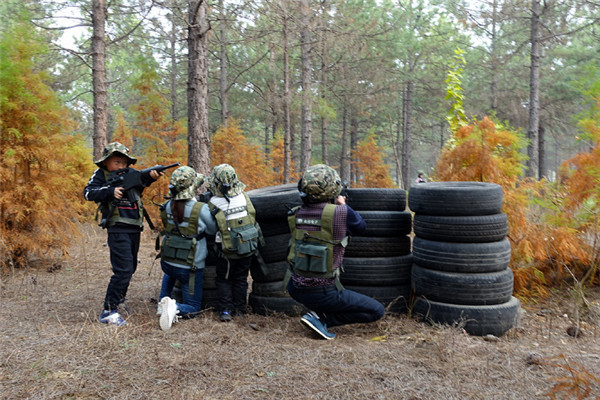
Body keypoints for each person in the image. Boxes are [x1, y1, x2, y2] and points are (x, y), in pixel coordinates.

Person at [286, 164, 385, 340]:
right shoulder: (341, 212)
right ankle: (322, 318)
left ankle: (318, 314)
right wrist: (342, 204)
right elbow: (361, 226)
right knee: (377, 311)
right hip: (324, 292)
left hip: (295, 287)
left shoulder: (295, 213)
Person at [84, 142, 163, 326]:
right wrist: (111, 191)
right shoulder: (101, 175)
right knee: (123, 270)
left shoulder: (132, 175)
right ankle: (108, 311)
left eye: (124, 163)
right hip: (117, 227)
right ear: (106, 162)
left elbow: (141, 183)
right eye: (116, 162)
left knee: (131, 267)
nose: (121, 166)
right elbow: (88, 193)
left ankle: (119, 301)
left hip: (134, 227)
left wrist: (151, 177)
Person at [157, 166, 218, 331]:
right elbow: (212, 230)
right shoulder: (201, 209)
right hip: (190, 267)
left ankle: (162, 302)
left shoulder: (166, 206)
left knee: (170, 273)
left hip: (168, 262)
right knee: (193, 308)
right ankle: (174, 308)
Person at [206, 164, 261, 322]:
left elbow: (211, 229)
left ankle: (225, 310)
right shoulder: (244, 197)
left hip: (227, 250)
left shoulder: (214, 202)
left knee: (223, 279)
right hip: (248, 245)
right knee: (241, 278)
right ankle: (240, 310)